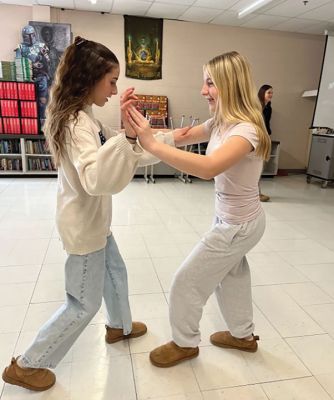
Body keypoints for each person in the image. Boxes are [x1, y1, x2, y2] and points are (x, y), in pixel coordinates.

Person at [2, 36, 177, 391]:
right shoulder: (75, 124)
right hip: (83, 227)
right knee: (82, 304)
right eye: (111, 81)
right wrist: (129, 139)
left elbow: (123, 147)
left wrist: (168, 140)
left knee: (115, 273)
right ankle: (27, 364)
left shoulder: (85, 117)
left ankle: (119, 326)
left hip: (94, 222)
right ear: (89, 78)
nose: (114, 90)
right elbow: (97, 178)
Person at [122, 51, 271, 368]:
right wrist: (145, 132)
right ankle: (243, 336)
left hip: (237, 226)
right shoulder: (221, 121)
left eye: (210, 83)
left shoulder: (246, 131)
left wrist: (152, 145)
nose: (203, 91)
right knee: (232, 276)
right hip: (232, 219)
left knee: (187, 282)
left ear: (230, 85)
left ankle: (185, 343)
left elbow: (208, 168)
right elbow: (184, 136)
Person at [18, 25, 51, 120]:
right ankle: (30, 123)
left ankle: (42, 123)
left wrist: (44, 56)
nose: (30, 38)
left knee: (42, 101)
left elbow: (48, 63)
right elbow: (18, 63)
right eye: (27, 35)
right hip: (27, 78)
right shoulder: (21, 47)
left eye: (32, 35)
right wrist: (32, 65)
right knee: (28, 103)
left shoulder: (41, 46)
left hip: (41, 76)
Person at [258, 84, 273, 202]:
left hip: (265, 137)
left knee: (260, 166)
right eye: (269, 92)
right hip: (258, 138)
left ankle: (256, 192)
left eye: (272, 93)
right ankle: (256, 193)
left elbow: (267, 124)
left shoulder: (269, 108)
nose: (271, 95)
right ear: (262, 93)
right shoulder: (257, 107)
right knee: (257, 166)